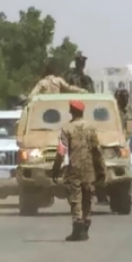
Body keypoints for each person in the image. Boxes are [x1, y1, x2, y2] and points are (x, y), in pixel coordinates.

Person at [51, 100, 106, 241]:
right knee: (87, 197)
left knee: (75, 199)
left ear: (71, 111)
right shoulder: (91, 128)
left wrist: (55, 169)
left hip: (74, 169)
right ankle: (86, 227)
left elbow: (61, 151)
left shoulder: (67, 129)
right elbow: (97, 151)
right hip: (89, 169)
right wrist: (101, 170)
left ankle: (78, 229)